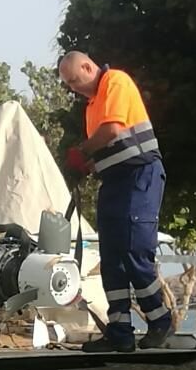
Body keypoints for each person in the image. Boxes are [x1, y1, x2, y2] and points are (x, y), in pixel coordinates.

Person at [57, 51, 173, 353]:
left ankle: (159, 319)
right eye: (68, 84)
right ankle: (119, 331)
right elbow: (109, 148)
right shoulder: (92, 106)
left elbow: (112, 130)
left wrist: (81, 153)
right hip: (116, 181)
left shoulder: (115, 82)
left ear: (87, 66)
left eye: (74, 80)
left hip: (140, 176)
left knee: (135, 248)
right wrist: (86, 166)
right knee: (112, 258)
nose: (73, 87)